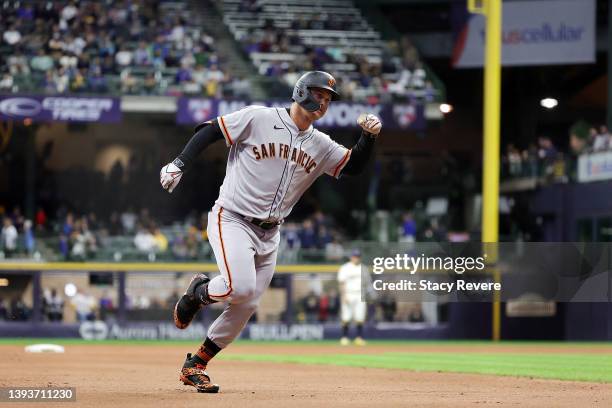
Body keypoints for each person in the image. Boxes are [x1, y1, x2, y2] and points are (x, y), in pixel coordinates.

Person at [160, 71, 382, 393]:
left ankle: (196, 364)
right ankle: (198, 292)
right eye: (319, 94)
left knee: (247, 304)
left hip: (270, 232)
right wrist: (179, 163)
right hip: (233, 218)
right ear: (302, 91)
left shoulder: (320, 144)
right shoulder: (259, 117)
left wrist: (368, 138)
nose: (324, 102)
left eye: (329, 98)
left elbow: (353, 167)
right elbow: (211, 131)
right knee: (240, 286)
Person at [337, 249, 368, 346]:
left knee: (360, 317)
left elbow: (366, 284)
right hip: (349, 293)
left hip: (360, 294)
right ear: (351, 257)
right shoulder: (345, 267)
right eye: (355, 256)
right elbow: (342, 283)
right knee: (346, 317)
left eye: (358, 256)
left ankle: (359, 338)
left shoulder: (364, 268)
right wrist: (343, 295)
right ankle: (344, 338)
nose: (356, 258)